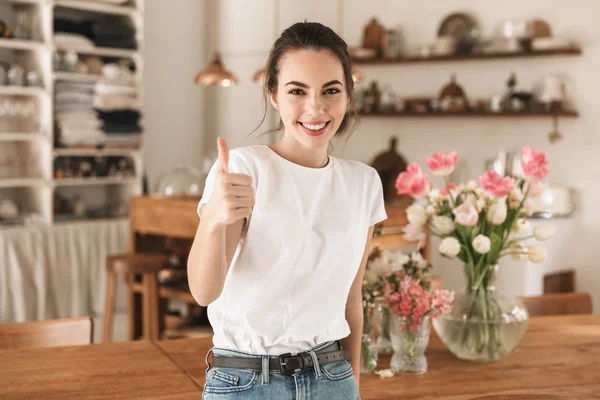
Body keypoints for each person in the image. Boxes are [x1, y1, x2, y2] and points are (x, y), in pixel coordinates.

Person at [187, 21, 387, 400]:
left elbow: (351, 301)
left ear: (348, 96)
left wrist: (353, 386)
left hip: (333, 378)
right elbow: (203, 292)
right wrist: (213, 218)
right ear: (274, 95)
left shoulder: (364, 183)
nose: (316, 108)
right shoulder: (245, 169)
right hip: (246, 381)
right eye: (298, 91)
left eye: (331, 90)